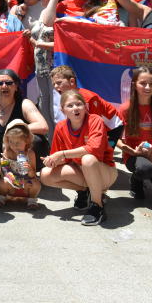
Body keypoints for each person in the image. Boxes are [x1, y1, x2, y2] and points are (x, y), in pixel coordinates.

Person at [41, 90, 118, 226]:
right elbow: (61, 157)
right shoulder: (60, 127)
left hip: (105, 172)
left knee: (88, 159)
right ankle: (85, 191)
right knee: (45, 175)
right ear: (63, 110)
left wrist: (63, 154)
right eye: (70, 106)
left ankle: (97, 206)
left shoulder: (95, 120)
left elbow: (93, 149)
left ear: (86, 107)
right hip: (81, 170)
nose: (75, 108)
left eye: (79, 104)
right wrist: (52, 161)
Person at [116, 67, 152, 205]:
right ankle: (136, 181)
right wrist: (133, 152)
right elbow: (116, 140)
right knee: (145, 169)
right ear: (134, 85)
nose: (148, 87)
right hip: (134, 157)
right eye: (143, 83)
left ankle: (150, 175)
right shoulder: (125, 109)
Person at [0, 69, 49, 156]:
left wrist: (12, 130)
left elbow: (43, 127)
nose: (4, 86)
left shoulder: (25, 104)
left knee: (37, 140)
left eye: (9, 83)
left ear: (16, 86)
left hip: (19, 156)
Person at [49, 65, 122, 143]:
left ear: (72, 81)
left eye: (59, 83)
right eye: (54, 84)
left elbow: (96, 123)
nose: (56, 87)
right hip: (100, 127)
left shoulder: (87, 98)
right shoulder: (67, 98)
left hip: (113, 127)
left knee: (102, 151)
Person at [0, 119, 41, 208]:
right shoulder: (7, 152)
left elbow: (33, 175)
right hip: (11, 184)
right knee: (2, 182)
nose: (14, 146)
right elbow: (5, 171)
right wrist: (17, 182)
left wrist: (30, 169)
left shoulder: (30, 154)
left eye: (18, 143)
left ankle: (31, 200)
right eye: (11, 142)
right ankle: (2, 197)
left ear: (26, 141)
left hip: (26, 185)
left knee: (36, 184)